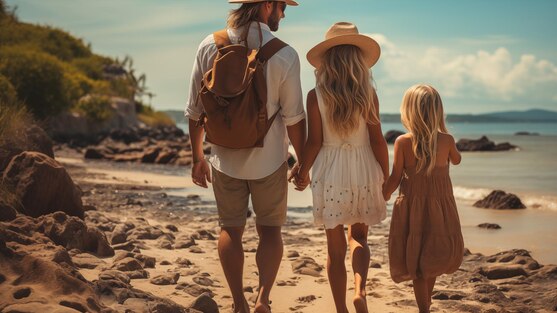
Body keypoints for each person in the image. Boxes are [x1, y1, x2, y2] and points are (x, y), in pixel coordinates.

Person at [184, 1, 306, 312]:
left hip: (224, 159)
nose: (284, 12)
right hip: (271, 159)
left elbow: (195, 111)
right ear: (267, 5)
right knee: (270, 231)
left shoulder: (210, 45)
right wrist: (303, 162)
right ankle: (262, 299)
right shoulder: (285, 54)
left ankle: (238, 303)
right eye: (282, 6)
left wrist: (197, 157)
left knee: (230, 229)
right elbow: (294, 118)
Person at [290, 22, 389, 313]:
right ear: (358, 59)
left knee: (335, 250)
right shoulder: (368, 94)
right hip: (364, 167)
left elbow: (314, 142)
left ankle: (341, 309)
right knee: (358, 237)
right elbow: (378, 140)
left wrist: (302, 170)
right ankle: (360, 291)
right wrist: (385, 177)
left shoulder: (315, 95)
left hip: (330, 171)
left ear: (327, 60)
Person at [382, 84, 464, 313]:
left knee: (417, 261)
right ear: (438, 111)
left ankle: (424, 308)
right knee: (432, 257)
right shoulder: (446, 140)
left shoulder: (403, 142)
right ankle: (425, 306)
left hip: (412, 208)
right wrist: (445, 137)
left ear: (408, 111)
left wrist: (383, 195)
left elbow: (395, 177)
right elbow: (456, 160)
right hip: (441, 208)